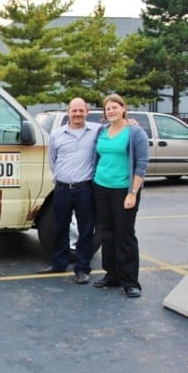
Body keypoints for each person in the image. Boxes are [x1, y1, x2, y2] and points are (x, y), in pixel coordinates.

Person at [92, 94, 149, 298]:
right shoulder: (101, 130)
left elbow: (141, 164)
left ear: (124, 108)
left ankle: (130, 281)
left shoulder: (135, 132)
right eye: (108, 109)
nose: (111, 111)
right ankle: (112, 275)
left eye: (115, 107)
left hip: (124, 190)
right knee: (106, 233)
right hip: (101, 187)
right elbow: (97, 156)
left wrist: (132, 192)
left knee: (125, 235)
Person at [37, 98, 99, 285]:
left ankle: (82, 269)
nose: (78, 114)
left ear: (87, 111)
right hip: (62, 188)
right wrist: (59, 177)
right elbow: (52, 160)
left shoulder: (96, 131)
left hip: (85, 189)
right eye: (74, 111)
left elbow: (117, 128)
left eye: (81, 110)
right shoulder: (57, 134)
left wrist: (130, 123)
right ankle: (58, 263)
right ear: (68, 112)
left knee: (85, 230)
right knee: (60, 227)